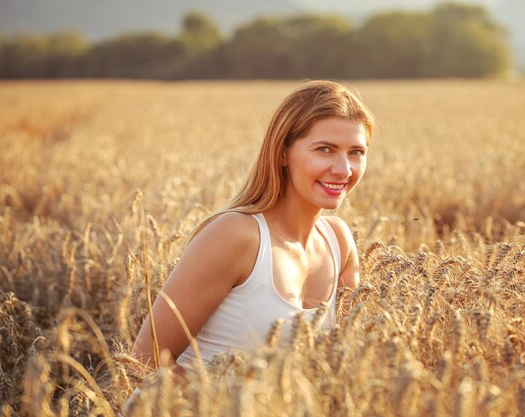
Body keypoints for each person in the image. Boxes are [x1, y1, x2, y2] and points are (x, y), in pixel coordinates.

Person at [130, 79, 374, 380]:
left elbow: (341, 364)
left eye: (356, 152)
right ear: (282, 152)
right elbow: (144, 360)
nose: (343, 169)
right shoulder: (237, 234)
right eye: (325, 149)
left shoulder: (339, 241)